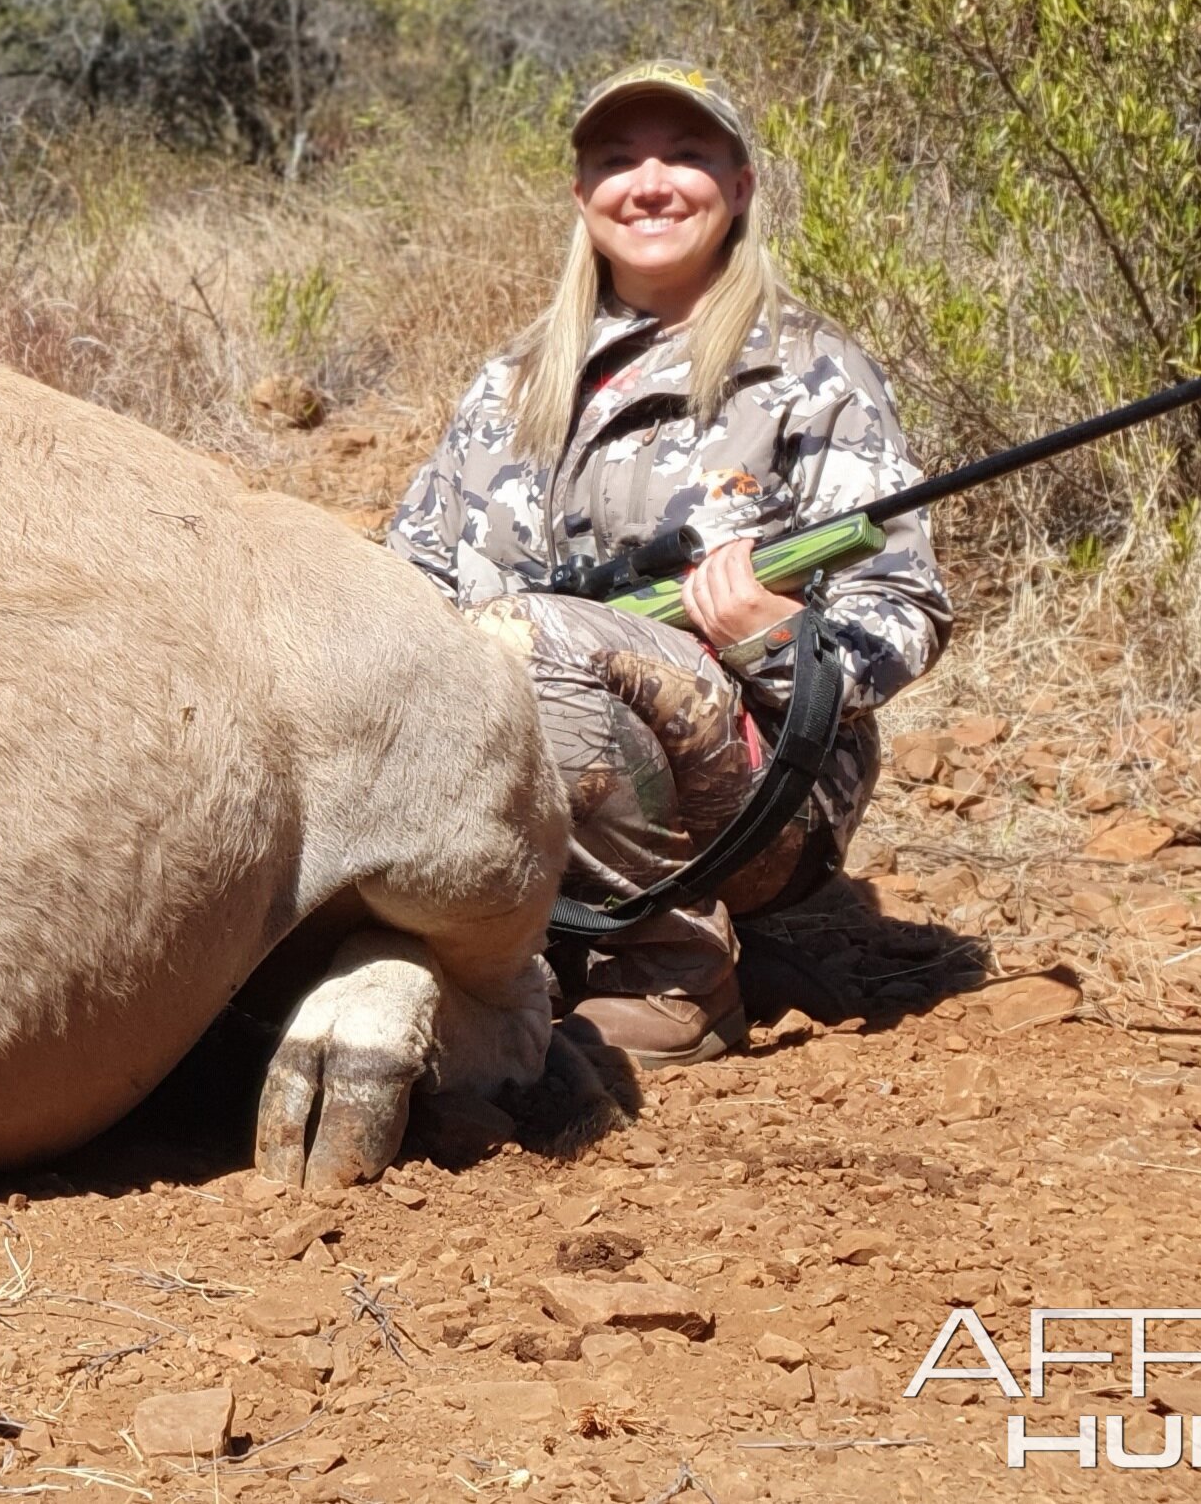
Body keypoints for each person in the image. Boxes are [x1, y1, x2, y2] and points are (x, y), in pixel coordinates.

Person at [389, 64, 950, 1066]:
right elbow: (408, 573)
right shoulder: (508, 380)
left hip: (763, 791)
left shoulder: (811, 368)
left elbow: (901, 607)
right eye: (616, 160)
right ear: (581, 196)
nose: (648, 183)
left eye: (685, 155)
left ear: (737, 185)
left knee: (523, 633)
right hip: (525, 758)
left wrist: (776, 640)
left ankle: (672, 965)